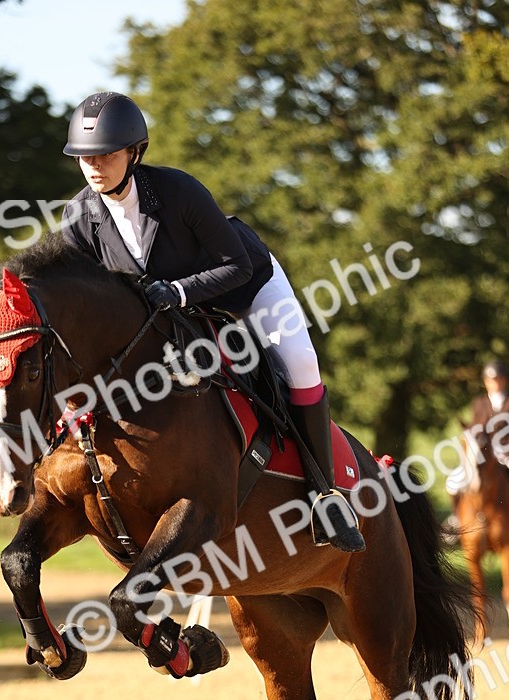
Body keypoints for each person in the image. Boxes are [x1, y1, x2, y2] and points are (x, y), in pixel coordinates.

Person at [60, 91, 365, 553]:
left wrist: (179, 291)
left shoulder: (179, 191)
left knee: (300, 362)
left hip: (245, 284)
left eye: (105, 154)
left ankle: (326, 495)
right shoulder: (80, 217)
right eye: (85, 157)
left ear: (135, 152)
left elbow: (236, 265)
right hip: (170, 311)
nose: (94, 166)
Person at [445, 360, 509, 536]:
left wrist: (502, 452)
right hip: (483, 456)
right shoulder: (479, 403)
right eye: (490, 380)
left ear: (504, 381)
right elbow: (475, 430)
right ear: (485, 382)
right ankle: (457, 518)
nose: (494, 383)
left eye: (497, 379)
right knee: (452, 483)